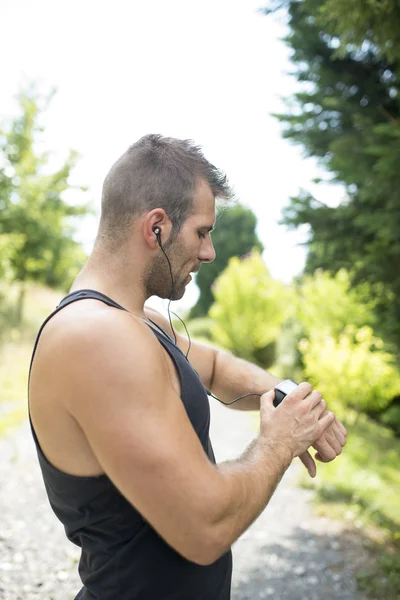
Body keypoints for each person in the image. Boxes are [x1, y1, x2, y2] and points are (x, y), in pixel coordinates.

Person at [28, 134, 347, 600]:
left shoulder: (138, 322)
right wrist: (280, 441)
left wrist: (289, 396)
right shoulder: (98, 339)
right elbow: (205, 526)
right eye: (202, 231)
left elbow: (214, 367)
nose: (209, 252)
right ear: (156, 226)